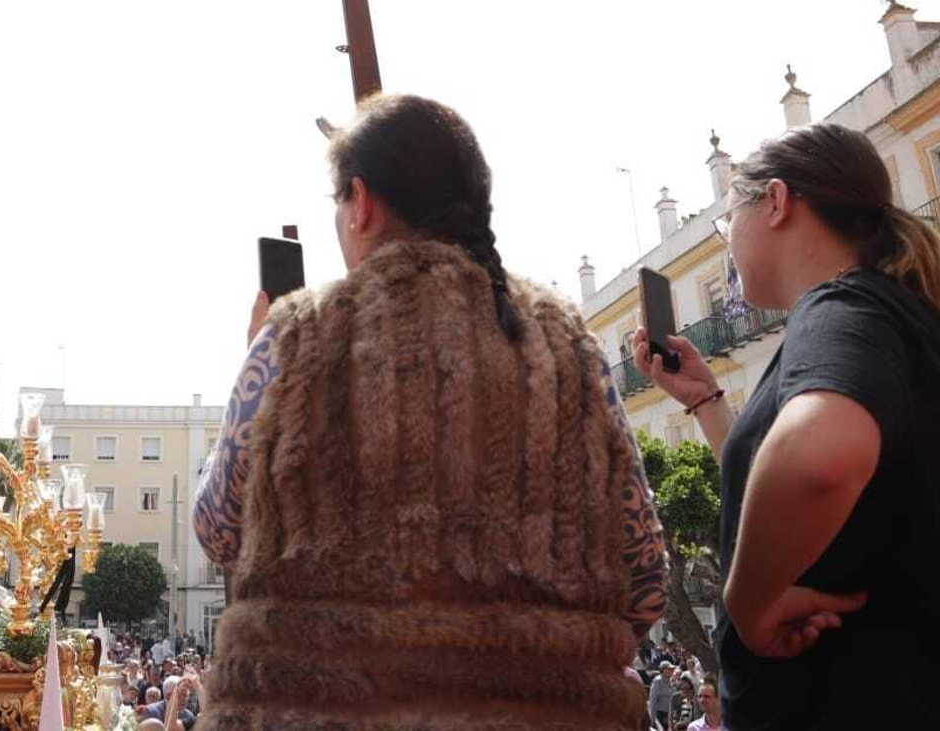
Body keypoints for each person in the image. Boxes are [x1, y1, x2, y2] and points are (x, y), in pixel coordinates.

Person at [194, 94, 668, 730]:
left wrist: (256, 362)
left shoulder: (293, 339)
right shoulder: (569, 350)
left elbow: (218, 526)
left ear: (360, 202)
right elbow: (645, 578)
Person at [634, 122, 940, 727]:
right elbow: (796, 485)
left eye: (728, 224)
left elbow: (818, 460)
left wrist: (747, 602)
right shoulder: (886, 313)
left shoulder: (842, 309)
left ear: (776, 203)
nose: (728, 246)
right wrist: (706, 402)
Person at [646, 662, 677, 730]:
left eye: (672, 669)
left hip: (670, 713)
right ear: (663, 670)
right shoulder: (658, 681)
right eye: (669, 669)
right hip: (661, 714)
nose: (672, 671)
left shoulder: (671, 680)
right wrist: (652, 719)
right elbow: (653, 700)